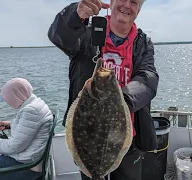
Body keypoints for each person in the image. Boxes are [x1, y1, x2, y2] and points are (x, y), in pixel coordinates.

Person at [48, 0, 159, 179]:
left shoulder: (143, 43)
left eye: (134, 2)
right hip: (88, 136)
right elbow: (59, 35)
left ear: (139, 10)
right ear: (111, 2)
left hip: (128, 139)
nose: (127, 5)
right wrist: (75, 15)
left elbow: (148, 79)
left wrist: (119, 102)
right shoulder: (84, 33)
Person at [0, 78, 54, 180]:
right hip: (29, 159)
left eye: (7, 99)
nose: (7, 102)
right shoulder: (35, 104)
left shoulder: (31, 111)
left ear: (15, 96)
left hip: (27, 166)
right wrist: (9, 125)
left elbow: (15, 146)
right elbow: (30, 128)